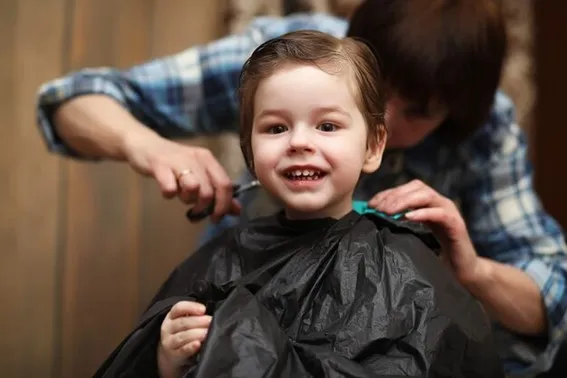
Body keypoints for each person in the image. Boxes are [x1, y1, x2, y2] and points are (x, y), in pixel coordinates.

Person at [35, 0, 567, 375]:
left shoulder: (486, 127)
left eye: (331, 125)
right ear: (249, 145)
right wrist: (153, 149)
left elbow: (551, 288)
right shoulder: (287, 67)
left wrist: (470, 273)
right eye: (276, 127)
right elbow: (70, 100)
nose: (301, 143)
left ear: (373, 143)